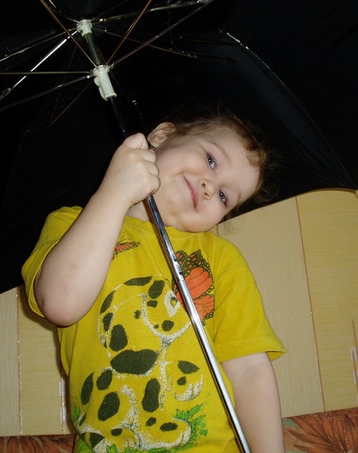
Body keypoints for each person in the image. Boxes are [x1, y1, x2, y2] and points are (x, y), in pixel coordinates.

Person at [22, 105, 286, 452]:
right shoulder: (71, 226)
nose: (210, 187)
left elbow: (249, 368)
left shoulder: (221, 258)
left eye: (225, 197)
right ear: (162, 136)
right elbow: (61, 303)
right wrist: (114, 193)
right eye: (210, 159)